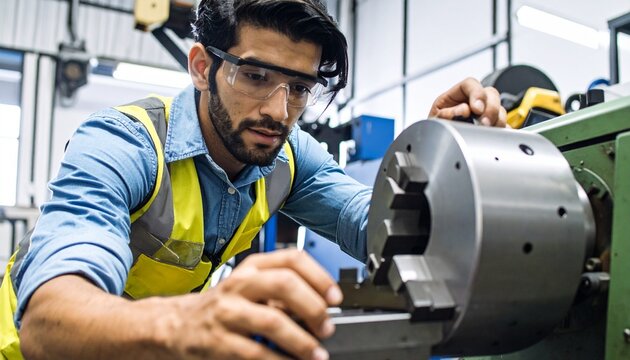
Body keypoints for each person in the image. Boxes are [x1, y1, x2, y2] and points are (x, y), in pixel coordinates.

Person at [0, 0, 506, 359]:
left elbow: (373, 224)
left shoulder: (287, 155)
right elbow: (48, 323)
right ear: (202, 67)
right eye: (255, 76)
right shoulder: (123, 145)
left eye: (300, 88)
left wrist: (440, 168)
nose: (277, 111)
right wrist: (185, 323)